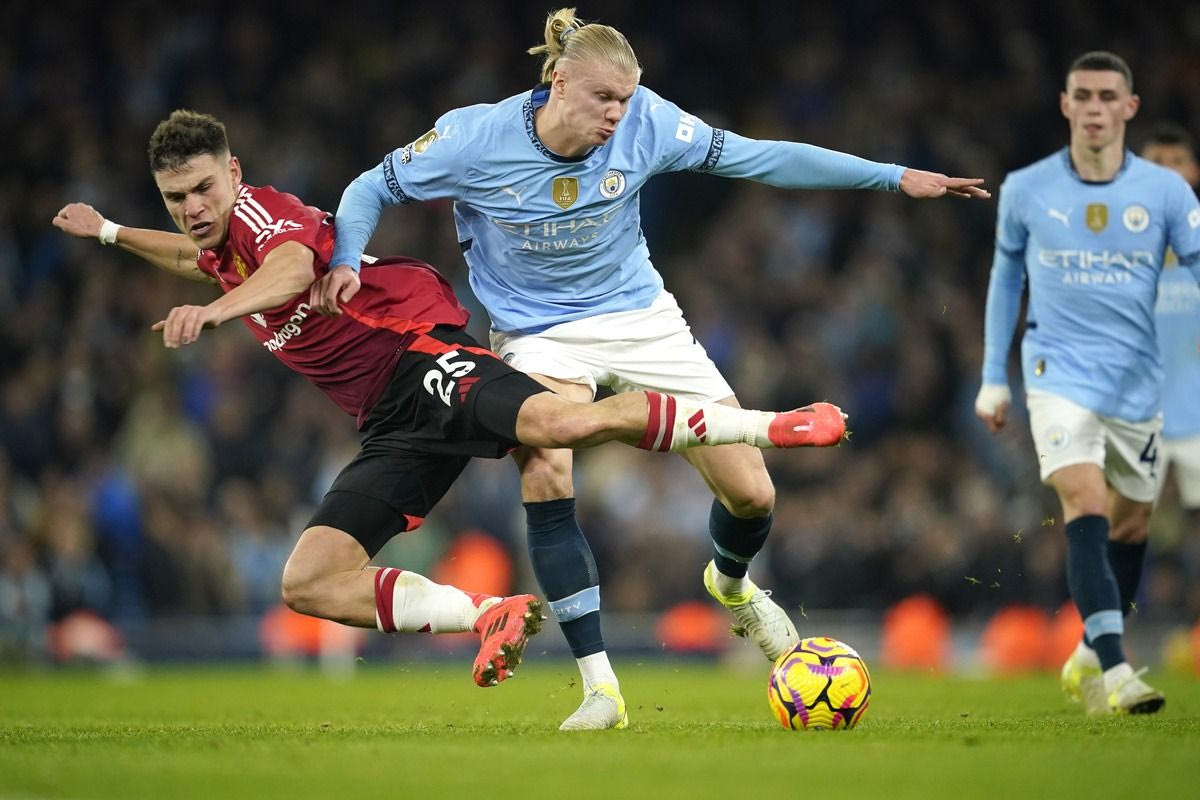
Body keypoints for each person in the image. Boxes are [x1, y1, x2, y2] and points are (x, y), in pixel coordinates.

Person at [313, 9, 990, 730]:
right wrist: (347, 259)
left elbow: (761, 157)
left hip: (641, 320)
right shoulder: (475, 137)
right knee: (547, 462)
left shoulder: (649, 124)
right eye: (603, 97)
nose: (617, 114)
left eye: (626, 98)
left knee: (753, 495)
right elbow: (368, 188)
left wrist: (893, 177)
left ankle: (731, 585)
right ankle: (600, 690)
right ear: (558, 82)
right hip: (538, 335)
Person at [52, 110, 847, 701]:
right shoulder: (218, 245)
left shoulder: (261, 216)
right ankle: (489, 613)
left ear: (233, 173)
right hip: (388, 419)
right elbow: (195, 258)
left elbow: (293, 268)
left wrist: (215, 316)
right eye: (175, 197)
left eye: (202, 188)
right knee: (310, 580)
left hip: (419, 353)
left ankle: (766, 426)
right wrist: (113, 232)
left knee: (558, 426)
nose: (192, 207)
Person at [975, 53, 1200, 715]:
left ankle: (1085, 653)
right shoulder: (1026, 188)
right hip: (1056, 374)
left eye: (1108, 96)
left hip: (1138, 383)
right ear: (1066, 104)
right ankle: (1118, 669)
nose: (1095, 108)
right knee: (1086, 500)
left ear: (1129, 107)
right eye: (1084, 95)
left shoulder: (1166, 195)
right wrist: (992, 376)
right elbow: (1005, 280)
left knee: (1131, 524)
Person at [1144, 124, 1200, 512]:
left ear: (1193, 171)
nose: (1167, 171)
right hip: (1138, 419)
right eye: (1157, 162)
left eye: (1176, 162)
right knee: (1126, 529)